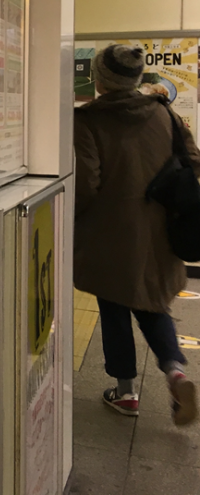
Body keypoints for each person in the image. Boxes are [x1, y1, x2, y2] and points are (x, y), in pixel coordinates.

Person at [73, 44, 200, 426]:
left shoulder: (88, 120)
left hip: (111, 233)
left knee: (114, 308)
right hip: (160, 229)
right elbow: (193, 160)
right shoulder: (164, 111)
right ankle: (176, 373)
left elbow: (85, 185)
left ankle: (126, 393)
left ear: (100, 79)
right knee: (153, 305)